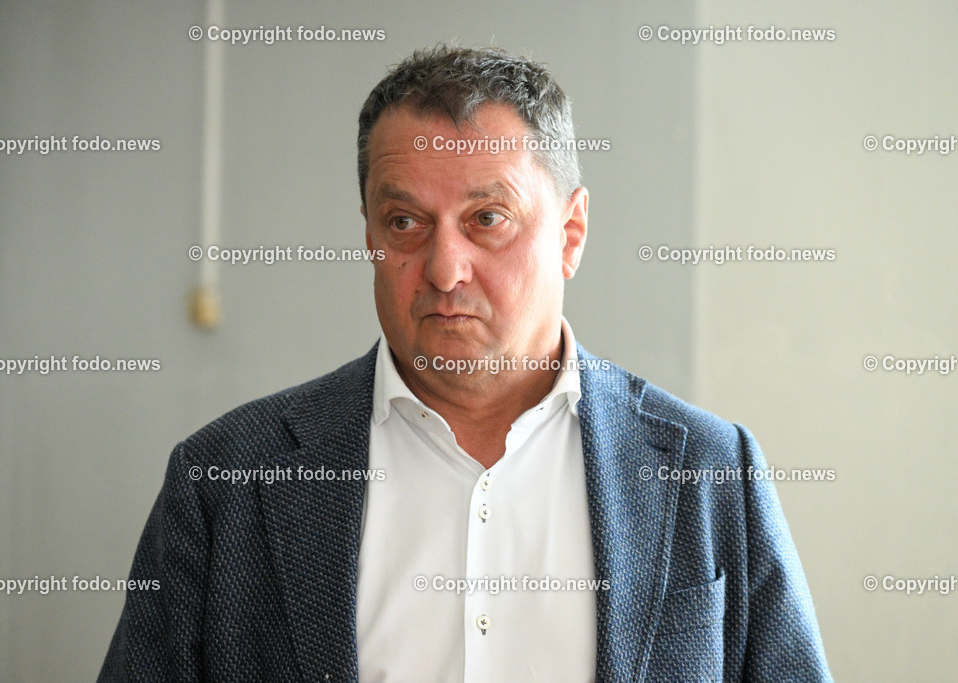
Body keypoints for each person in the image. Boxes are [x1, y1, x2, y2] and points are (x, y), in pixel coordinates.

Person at [100, 44, 832, 681]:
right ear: (370, 235)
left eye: (487, 219)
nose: (445, 268)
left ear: (571, 233)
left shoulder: (708, 470)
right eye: (406, 222)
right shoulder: (227, 481)